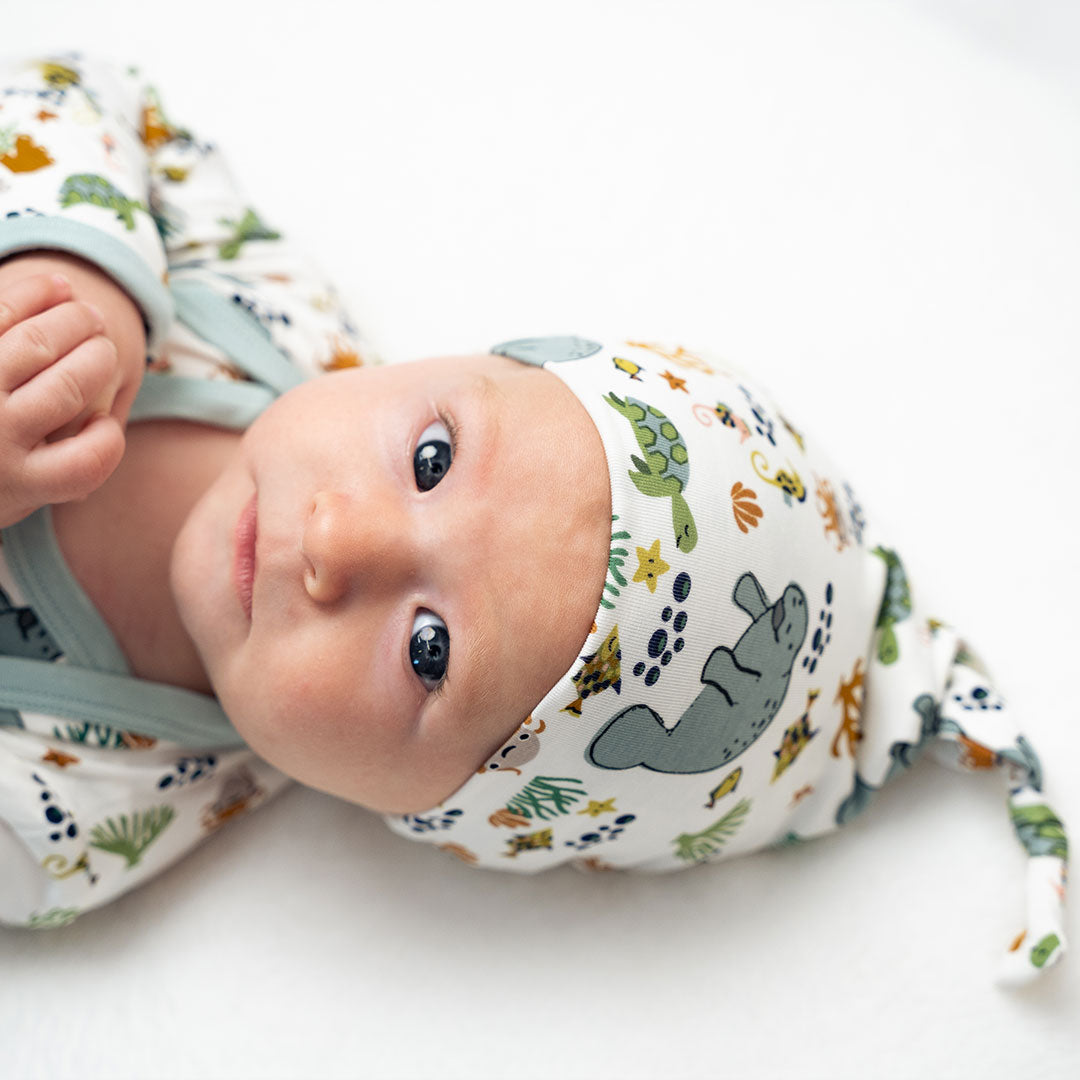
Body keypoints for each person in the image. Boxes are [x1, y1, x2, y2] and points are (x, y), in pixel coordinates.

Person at [0, 53, 1066, 985]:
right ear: (466, 361)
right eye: (431, 458)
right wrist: (77, 264)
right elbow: (94, 92)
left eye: (429, 652)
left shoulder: (79, 818)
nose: (336, 542)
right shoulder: (257, 308)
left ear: (431, 813)